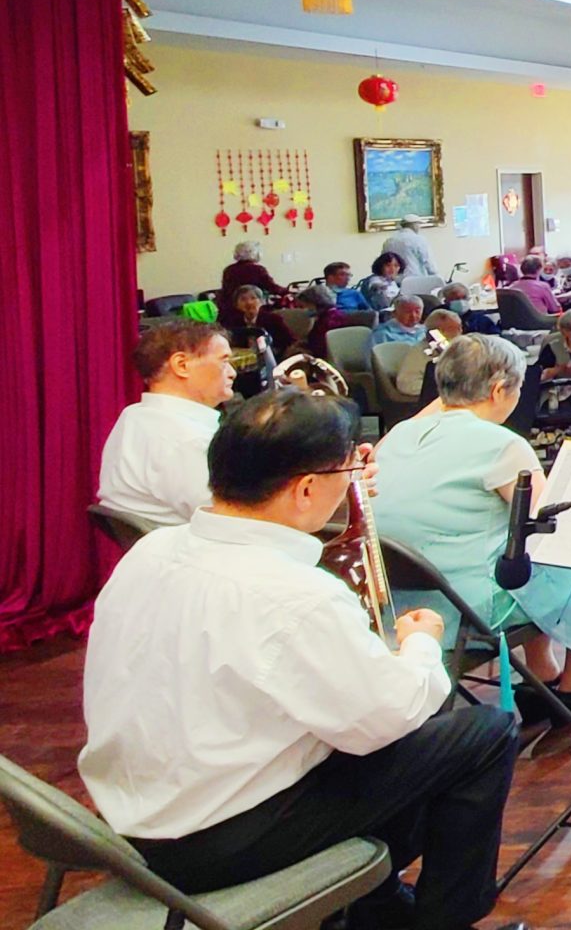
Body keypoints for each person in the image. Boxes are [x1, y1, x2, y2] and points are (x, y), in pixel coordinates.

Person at [80, 389, 523, 930]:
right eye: (347, 471)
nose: (354, 481)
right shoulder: (293, 593)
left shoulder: (151, 549)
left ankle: (377, 904)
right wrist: (422, 643)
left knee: (371, 738)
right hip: (210, 842)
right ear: (307, 488)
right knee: (482, 733)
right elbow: (389, 716)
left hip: (126, 820)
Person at [371, 336, 571, 714]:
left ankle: (542, 673)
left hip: (397, 602)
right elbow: (555, 526)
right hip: (467, 606)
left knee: (511, 546)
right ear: (499, 390)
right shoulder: (502, 445)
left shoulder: (396, 436)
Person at [96, 320, 234, 528]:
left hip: (160, 543)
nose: (232, 372)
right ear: (182, 365)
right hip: (196, 543)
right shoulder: (189, 440)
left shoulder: (133, 415)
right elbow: (233, 520)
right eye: (223, 361)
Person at [216, 284, 287, 397]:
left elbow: (287, 341)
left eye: (253, 298)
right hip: (243, 361)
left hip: (271, 358)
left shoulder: (273, 319)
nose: (249, 303)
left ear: (261, 301)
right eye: (243, 299)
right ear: (236, 304)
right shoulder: (233, 321)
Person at [220, 241, 287, 301]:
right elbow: (272, 287)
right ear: (255, 254)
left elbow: (225, 291)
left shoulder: (228, 270)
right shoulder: (258, 269)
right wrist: (287, 291)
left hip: (230, 306)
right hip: (252, 305)